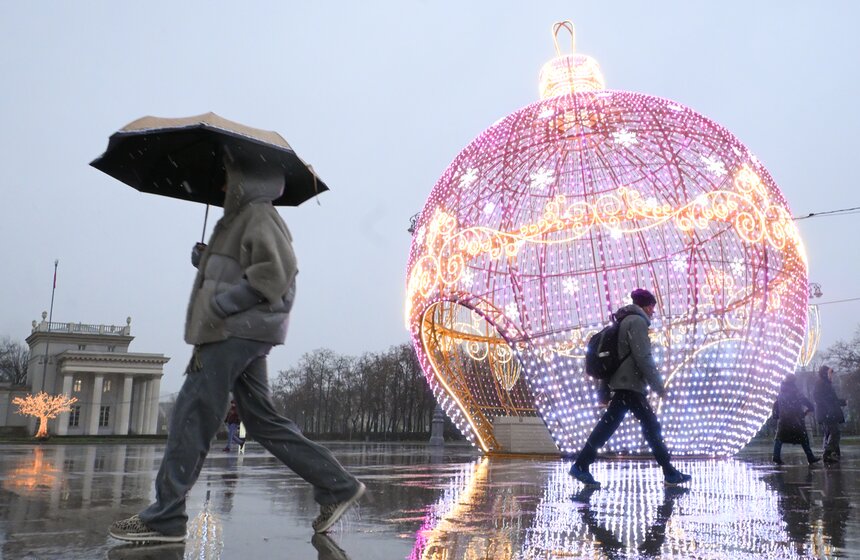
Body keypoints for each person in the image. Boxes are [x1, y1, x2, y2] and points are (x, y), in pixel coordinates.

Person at [109, 145, 365, 544]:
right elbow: (243, 268)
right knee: (262, 420)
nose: (224, 183)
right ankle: (337, 485)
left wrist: (221, 305)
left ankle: (166, 517)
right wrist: (206, 260)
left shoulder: (257, 214)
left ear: (247, 178)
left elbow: (275, 273)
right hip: (247, 332)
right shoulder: (244, 218)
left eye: (230, 175)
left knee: (192, 414)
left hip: (233, 331)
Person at [569, 288, 691, 488]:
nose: (653, 312)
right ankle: (669, 473)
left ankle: (581, 465)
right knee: (650, 426)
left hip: (624, 384)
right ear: (646, 306)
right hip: (629, 385)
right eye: (652, 307)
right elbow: (643, 357)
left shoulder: (623, 320)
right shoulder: (637, 322)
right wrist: (659, 387)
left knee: (611, 426)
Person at [772, 374, 819, 465]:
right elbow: (806, 402)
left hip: (784, 419)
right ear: (794, 381)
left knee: (779, 438)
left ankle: (776, 456)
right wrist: (808, 410)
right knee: (803, 439)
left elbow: (776, 406)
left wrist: (778, 416)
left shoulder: (781, 392)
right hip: (795, 419)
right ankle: (810, 457)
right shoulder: (795, 392)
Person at [813, 365, 846, 464]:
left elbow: (831, 400)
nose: (832, 376)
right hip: (827, 413)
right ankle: (828, 453)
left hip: (827, 413)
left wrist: (842, 402)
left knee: (829, 433)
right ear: (825, 374)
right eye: (830, 373)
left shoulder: (824, 384)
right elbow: (823, 399)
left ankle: (832, 453)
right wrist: (828, 409)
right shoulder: (822, 384)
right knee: (834, 432)